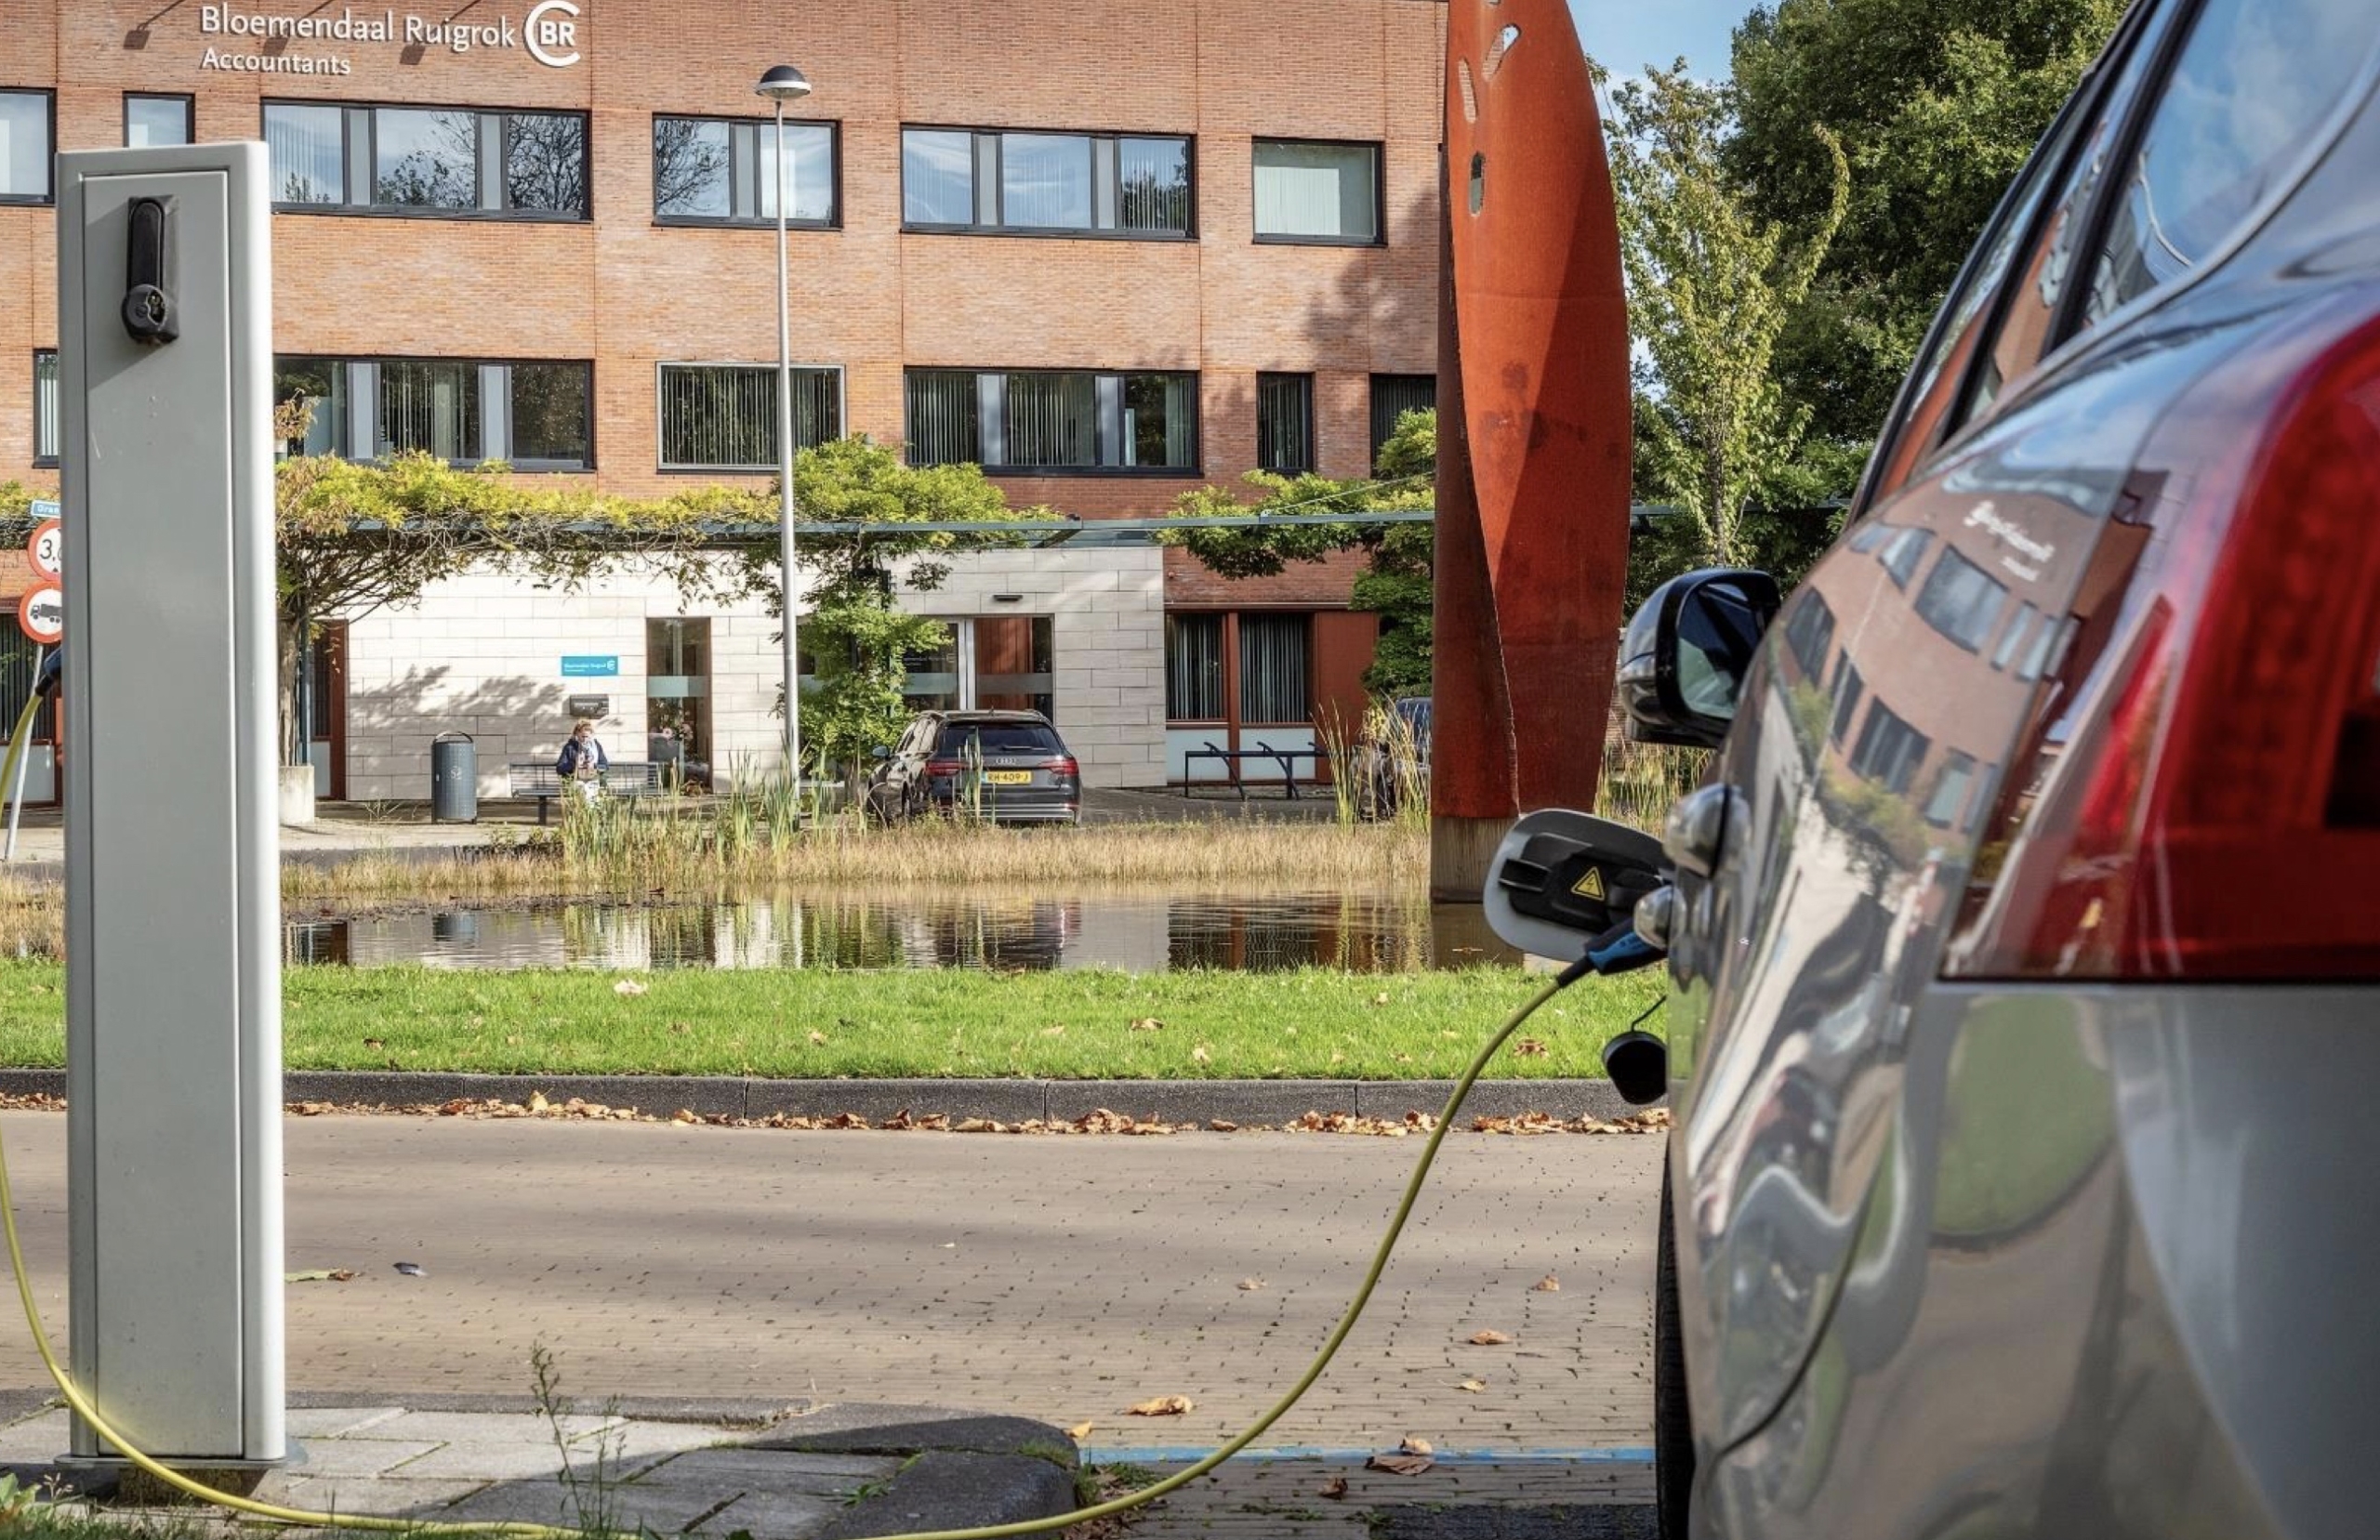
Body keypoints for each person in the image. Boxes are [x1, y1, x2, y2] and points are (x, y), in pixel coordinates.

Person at [556, 718, 608, 805]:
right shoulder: (570, 747)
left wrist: (594, 766)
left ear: (591, 734)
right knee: (584, 793)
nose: (585, 739)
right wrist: (574, 764)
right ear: (577, 733)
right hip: (576, 780)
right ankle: (586, 815)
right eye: (582, 736)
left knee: (592, 795)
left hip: (593, 779)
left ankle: (589, 815)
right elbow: (560, 768)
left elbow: (605, 765)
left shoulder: (596, 746)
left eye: (587, 736)